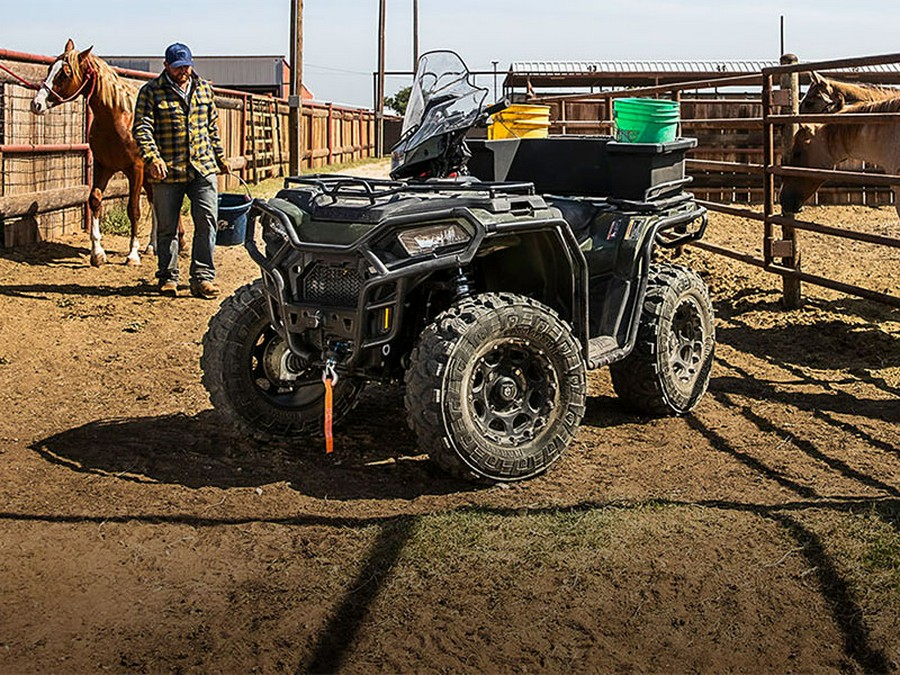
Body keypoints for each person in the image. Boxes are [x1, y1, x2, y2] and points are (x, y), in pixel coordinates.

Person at [133, 42, 230, 298]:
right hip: (168, 171)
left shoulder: (204, 89)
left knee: (207, 222)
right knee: (167, 227)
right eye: (177, 67)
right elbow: (142, 129)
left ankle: (203, 277)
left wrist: (220, 159)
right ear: (166, 66)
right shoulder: (151, 92)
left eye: (186, 66)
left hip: (203, 168)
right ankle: (168, 276)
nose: (183, 71)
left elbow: (211, 128)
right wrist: (153, 158)